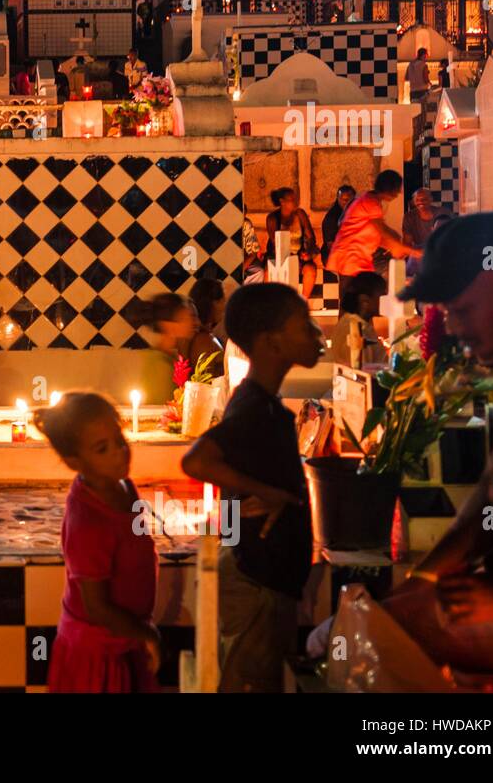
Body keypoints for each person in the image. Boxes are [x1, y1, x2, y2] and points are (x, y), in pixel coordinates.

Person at [378, 212, 493, 678]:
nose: (452, 329)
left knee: (381, 634)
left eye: (462, 310)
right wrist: (426, 574)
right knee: (373, 617)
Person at [181, 283, 325, 691]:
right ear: (271, 343)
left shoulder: (263, 404)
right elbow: (197, 460)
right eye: (305, 325)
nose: (317, 334)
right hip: (256, 582)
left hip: (262, 577)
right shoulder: (255, 409)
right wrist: (271, 494)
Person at [35, 392, 160, 692]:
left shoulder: (123, 486)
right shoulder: (87, 522)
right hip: (96, 657)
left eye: (119, 439)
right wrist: (147, 634)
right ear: (73, 461)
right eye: (102, 449)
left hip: (123, 641)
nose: (119, 452)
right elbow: (97, 608)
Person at [325, 170, 418, 308]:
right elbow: (383, 231)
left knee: (360, 302)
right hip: (351, 258)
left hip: (358, 258)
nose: (399, 193)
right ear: (390, 189)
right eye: (398, 189)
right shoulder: (370, 202)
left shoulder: (370, 200)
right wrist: (408, 249)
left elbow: (378, 234)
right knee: (351, 304)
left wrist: (397, 245)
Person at [137, 293, 198, 404]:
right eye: (185, 318)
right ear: (168, 325)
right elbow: (161, 407)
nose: (194, 323)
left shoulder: (168, 357)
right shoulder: (161, 365)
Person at [265, 187, 319, 302]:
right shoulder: (273, 218)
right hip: (279, 257)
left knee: (311, 270)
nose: (295, 202)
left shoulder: (300, 214)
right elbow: (275, 244)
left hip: (299, 256)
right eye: (291, 199)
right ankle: (269, 304)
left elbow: (310, 237)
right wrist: (290, 260)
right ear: (282, 201)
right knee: (267, 272)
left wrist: (307, 252)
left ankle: (303, 302)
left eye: (296, 199)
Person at [323, 270, 385, 367]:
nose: (387, 300)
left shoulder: (347, 322)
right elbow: (361, 373)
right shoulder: (358, 330)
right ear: (365, 301)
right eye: (383, 296)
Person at [402, 188, 452, 278]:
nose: (420, 202)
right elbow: (407, 243)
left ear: (431, 199)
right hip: (418, 254)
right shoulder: (409, 217)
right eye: (417, 200)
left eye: (424, 199)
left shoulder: (443, 212)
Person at [186, 278, 226, 368]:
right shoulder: (203, 340)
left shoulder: (205, 336)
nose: (224, 306)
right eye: (222, 301)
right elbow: (204, 378)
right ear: (213, 303)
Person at [319, 184, 356, 266]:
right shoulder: (331, 218)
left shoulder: (357, 212)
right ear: (338, 199)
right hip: (334, 254)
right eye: (343, 199)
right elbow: (332, 246)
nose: (346, 202)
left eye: (349, 199)